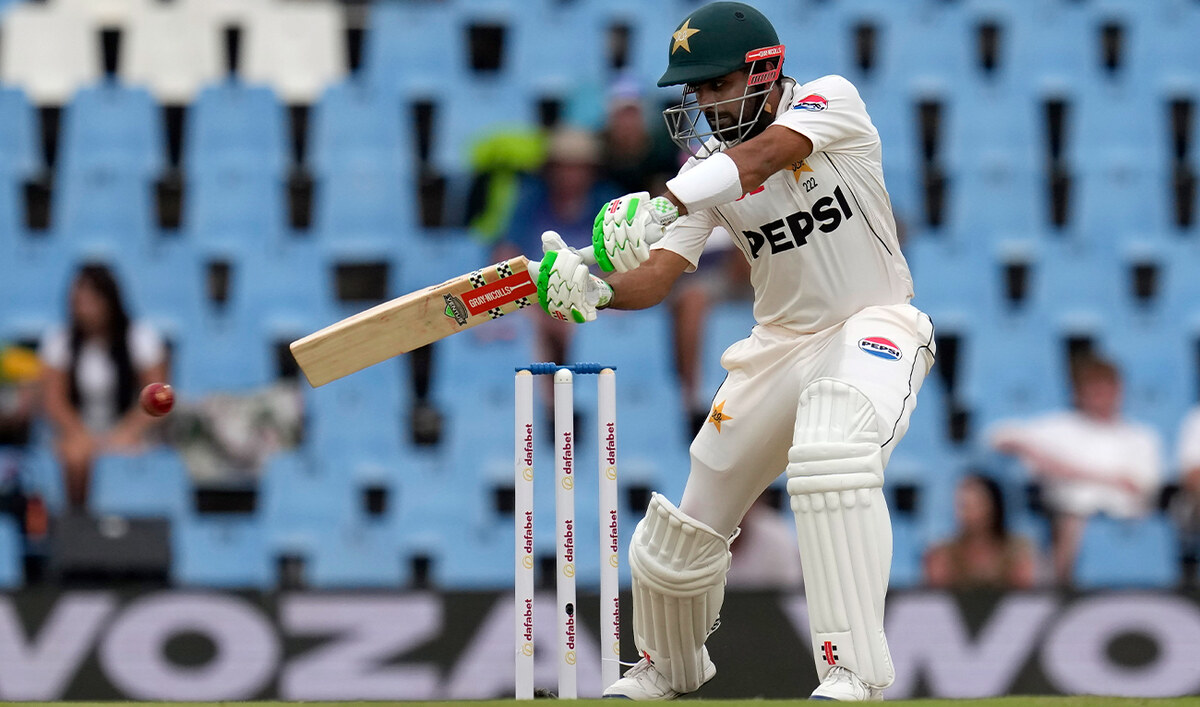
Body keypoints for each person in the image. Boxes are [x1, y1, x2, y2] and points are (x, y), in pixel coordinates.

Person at [534, 2, 936, 700]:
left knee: (832, 454)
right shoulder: (703, 172)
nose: (706, 104)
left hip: (873, 324)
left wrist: (663, 201)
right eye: (697, 91)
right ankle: (667, 666)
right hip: (777, 348)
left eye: (718, 85)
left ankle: (853, 670)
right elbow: (658, 275)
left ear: (765, 72)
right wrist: (594, 289)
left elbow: (766, 156)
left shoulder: (829, 101)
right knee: (680, 534)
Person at [990, 354, 1162, 587]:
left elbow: (1143, 488)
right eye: (1094, 390)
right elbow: (998, 436)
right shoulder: (1059, 428)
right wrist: (1037, 455)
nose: (1101, 397)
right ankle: (1058, 590)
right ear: (1078, 393)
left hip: (1127, 521)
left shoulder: (1142, 437)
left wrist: (1067, 471)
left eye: (1107, 389)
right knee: (1072, 522)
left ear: (1120, 390)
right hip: (1066, 517)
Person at [39, 263, 168, 510]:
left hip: (127, 431)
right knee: (75, 456)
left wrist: (125, 433)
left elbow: (158, 399)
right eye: (78, 302)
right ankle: (78, 520)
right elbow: (54, 402)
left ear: (110, 301)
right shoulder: (60, 340)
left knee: (132, 458)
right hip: (79, 432)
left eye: (91, 301)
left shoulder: (140, 338)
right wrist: (80, 434)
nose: (83, 309)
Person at [494, 127, 620, 370]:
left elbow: (622, 263)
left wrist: (581, 303)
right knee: (525, 323)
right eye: (562, 166)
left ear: (591, 170)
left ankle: (582, 388)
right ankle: (542, 391)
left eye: (577, 167)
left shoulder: (609, 203)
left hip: (592, 299)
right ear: (549, 169)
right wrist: (540, 307)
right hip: (536, 299)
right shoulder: (529, 200)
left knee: (593, 323)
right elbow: (504, 256)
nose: (568, 175)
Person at [924, 474, 1038, 590]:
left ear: (994, 506)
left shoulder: (1016, 548)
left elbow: (1024, 591)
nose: (970, 512)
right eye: (964, 505)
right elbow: (937, 593)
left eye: (978, 504)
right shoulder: (944, 553)